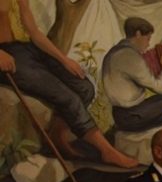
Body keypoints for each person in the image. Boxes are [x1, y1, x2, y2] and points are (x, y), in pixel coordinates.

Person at [0, 0, 137, 168]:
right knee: (67, 97)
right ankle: (106, 151)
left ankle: (57, 135)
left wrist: (64, 60)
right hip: (7, 57)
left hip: (26, 49)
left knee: (84, 87)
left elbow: (34, 32)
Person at [101, 17, 162, 132]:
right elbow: (160, 88)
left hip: (120, 112)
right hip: (131, 116)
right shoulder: (129, 56)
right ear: (138, 34)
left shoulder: (116, 51)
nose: (148, 44)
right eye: (147, 39)